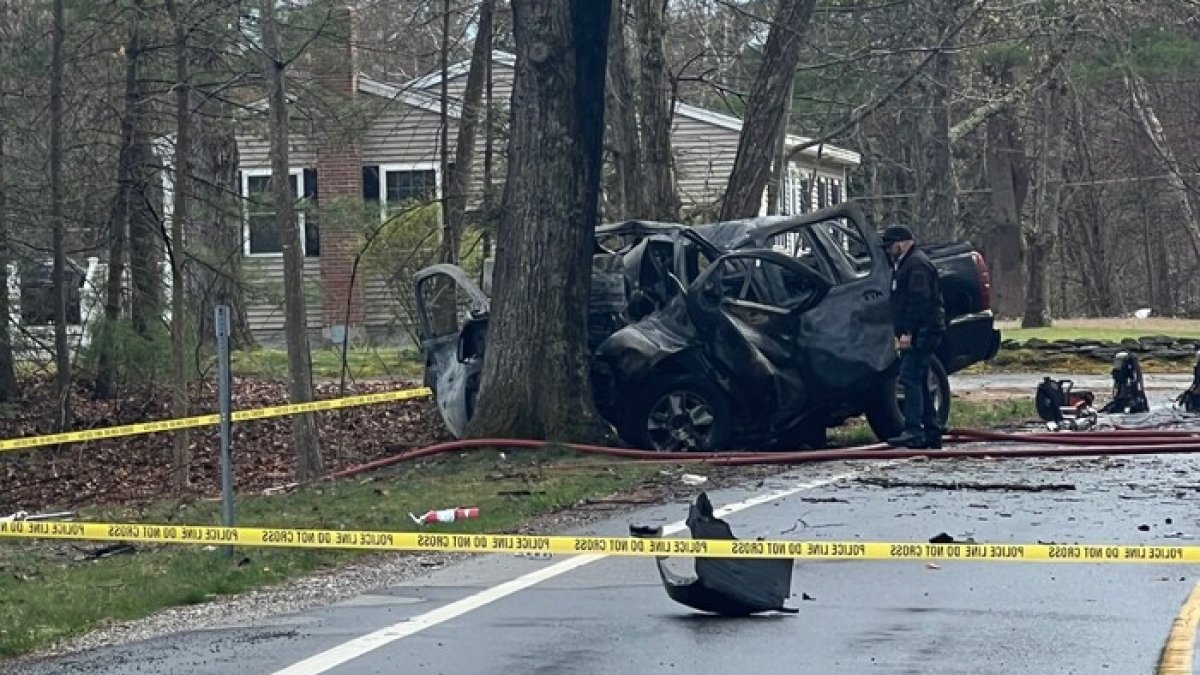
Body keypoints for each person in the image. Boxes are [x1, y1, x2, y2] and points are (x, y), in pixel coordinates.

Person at [880, 224, 946, 449]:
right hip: (919, 331)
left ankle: (913, 430)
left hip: (922, 330)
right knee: (918, 378)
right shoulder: (906, 264)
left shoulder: (916, 264)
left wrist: (908, 331)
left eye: (890, 246)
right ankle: (931, 429)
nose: (889, 251)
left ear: (902, 243)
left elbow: (918, 301)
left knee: (910, 377)